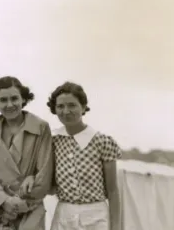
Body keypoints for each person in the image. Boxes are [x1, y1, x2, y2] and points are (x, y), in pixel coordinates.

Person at [0, 76, 54, 230]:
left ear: (23, 99)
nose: (9, 105)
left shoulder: (41, 127)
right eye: (3, 100)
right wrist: (4, 202)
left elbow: (45, 170)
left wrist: (20, 205)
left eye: (14, 98)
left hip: (29, 209)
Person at [47, 81, 122, 230]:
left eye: (72, 105)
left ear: (83, 107)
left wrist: (116, 227)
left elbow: (113, 190)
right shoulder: (53, 141)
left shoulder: (102, 142)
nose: (66, 111)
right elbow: (48, 182)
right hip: (63, 216)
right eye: (60, 106)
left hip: (96, 216)